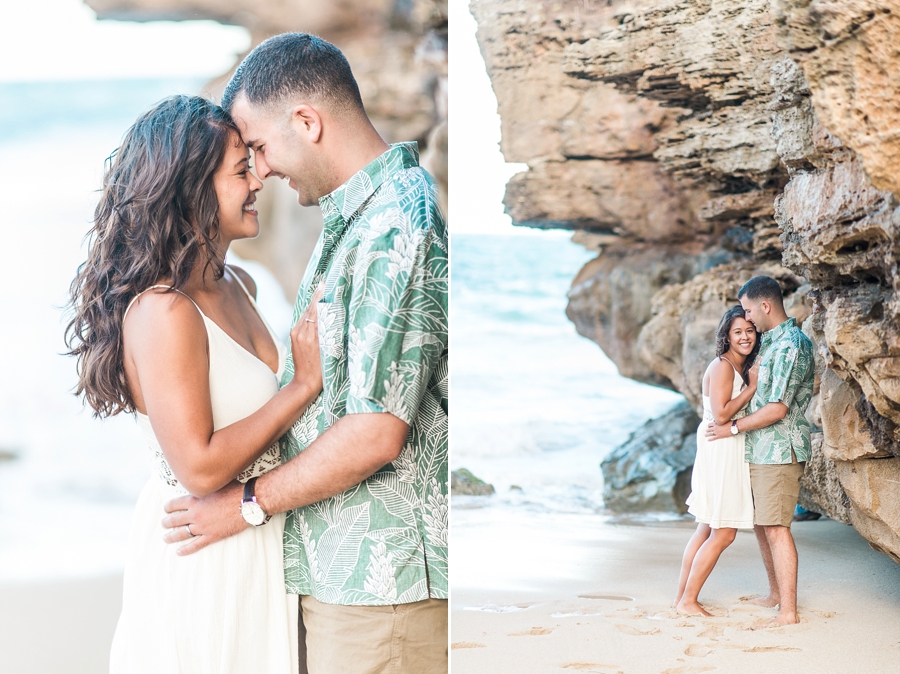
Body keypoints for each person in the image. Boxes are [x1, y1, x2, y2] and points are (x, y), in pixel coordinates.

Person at [160, 33, 449, 674]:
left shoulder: (393, 224)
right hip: (344, 576)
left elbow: (376, 432)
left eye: (259, 147)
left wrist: (245, 504)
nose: (259, 171)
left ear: (307, 122)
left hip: (383, 588)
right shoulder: (354, 217)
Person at [65, 95, 324, 673]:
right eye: (240, 171)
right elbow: (199, 468)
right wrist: (300, 387)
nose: (259, 179)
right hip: (204, 551)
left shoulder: (242, 284)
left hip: (255, 531)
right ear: (191, 191)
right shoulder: (164, 310)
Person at [706, 275, 814, 627]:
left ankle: (788, 612)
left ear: (765, 306)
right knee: (762, 524)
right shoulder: (770, 342)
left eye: (750, 310)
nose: (748, 318)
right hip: (759, 450)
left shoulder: (790, 345)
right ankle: (775, 594)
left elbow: (777, 408)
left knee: (777, 527)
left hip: (779, 451)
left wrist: (731, 428)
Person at [675, 306, 759, 615]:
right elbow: (722, 414)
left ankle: (682, 598)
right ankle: (687, 601)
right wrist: (751, 387)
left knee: (706, 527)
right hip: (721, 448)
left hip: (719, 445)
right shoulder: (724, 366)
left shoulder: (732, 365)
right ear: (726, 336)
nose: (745, 337)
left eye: (749, 331)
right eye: (738, 332)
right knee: (723, 532)